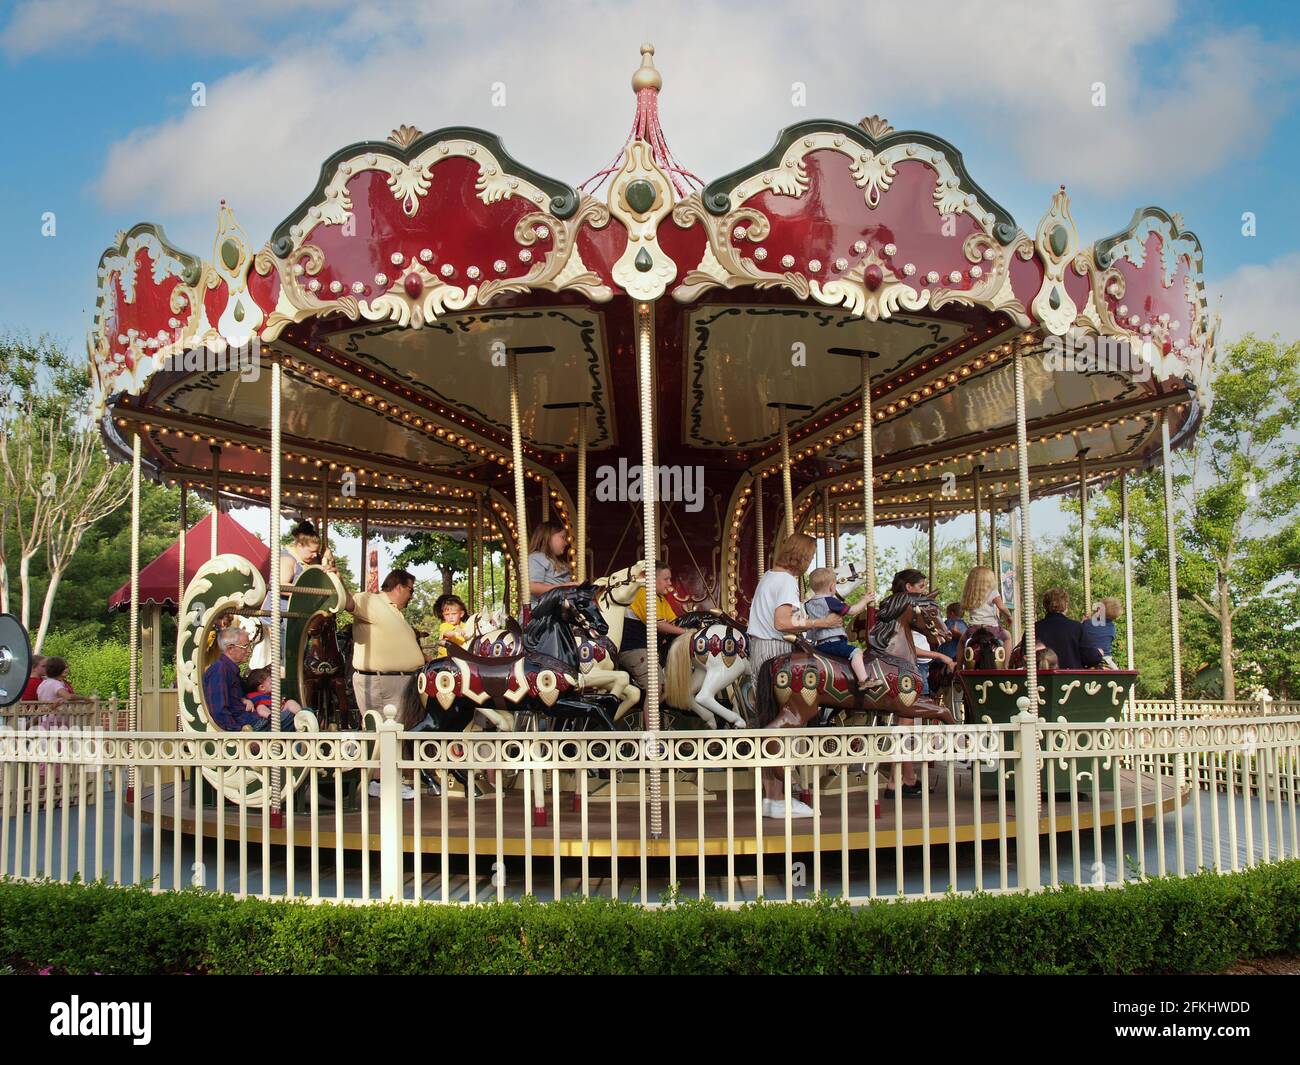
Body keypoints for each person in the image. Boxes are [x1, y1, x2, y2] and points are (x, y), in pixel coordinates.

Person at [748, 532, 845, 818]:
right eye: (810, 556)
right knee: (784, 721)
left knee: (770, 719)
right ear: (802, 556)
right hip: (776, 650)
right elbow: (782, 622)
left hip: (759, 649)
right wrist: (821, 622)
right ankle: (780, 799)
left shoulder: (768, 577)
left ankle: (771, 798)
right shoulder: (788, 581)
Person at [329, 564, 426, 799]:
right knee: (385, 730)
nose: (412, 596)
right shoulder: (371, 601)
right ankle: (381, 781)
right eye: (411, 591)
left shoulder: (394, 610)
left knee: (396, 731)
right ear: (399, 587)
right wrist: (336, 577)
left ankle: (387, 778)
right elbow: (348, 603)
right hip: (381, 680)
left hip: (400, 681)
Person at [251, 519, 322, 670]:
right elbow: (281, 585)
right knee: (285, 663)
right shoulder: (287, 559)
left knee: (297, 660)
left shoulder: (305, 561)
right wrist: (310, 595)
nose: (315, 554)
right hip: (280, 619)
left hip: (294, 618)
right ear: (300, 545)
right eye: (312, 551)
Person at [202, 626, 291, 731]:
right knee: (294, 716)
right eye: (245, 646)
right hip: (248, 727)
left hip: (252, 719)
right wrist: (240, 732)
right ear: (230, 649)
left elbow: (246, 689)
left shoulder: (231, 671)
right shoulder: (219, 671)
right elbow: (219, 711)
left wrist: (245, 698)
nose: (249, 651)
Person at [620, 560, 687, 690]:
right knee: (656, 687)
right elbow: (658, 624)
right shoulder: (644, 593)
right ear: (652, 579)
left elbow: (674, 623)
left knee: (668, 687)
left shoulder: (661, 599)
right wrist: (686, 632)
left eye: (670, 579)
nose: (669, 583)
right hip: (633, 649)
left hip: (647, 649)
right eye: (666, 579)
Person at [802, 567, 873, 690]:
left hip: (818, 643)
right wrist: (865, 600)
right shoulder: (830, 601)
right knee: (856, 652)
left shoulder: (808, 604)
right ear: (831, 587)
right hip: (833, 642)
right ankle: (864, 680)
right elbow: (852, 611)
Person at [1032, 588, 1102, 669]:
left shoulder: (1034, 628)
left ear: (1045, 605)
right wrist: (1098, 653)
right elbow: (1091, 658)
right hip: (1072, 678)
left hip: (1040, 678)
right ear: (1066, 605)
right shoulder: (1077, 628)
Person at [961, 565, 1013, 659]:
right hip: (992, 629)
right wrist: (1009, 616)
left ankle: (959, 668)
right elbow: (1001, 607)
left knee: (961, 642)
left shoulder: (971, 593)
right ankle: (1005, 665)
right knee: (1008, 637)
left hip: (974, 629)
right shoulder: (992, 592)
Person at [1081, 596, 1121, 667]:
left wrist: (1085, 621)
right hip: (1106, 659)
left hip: (1088, 658)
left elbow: (1080, 632)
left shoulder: (1087, 624)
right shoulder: (1112, 628)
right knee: (1116, 670)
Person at [432, 594, 470, 659]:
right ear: (443, 615)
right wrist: (455, 633)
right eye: (447, 614)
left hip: (461, 657)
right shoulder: (445, 625)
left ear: (461, 614)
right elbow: (447, 633)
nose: (450, 617)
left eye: (454, 614)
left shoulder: (465, 626)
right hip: (445, 658)